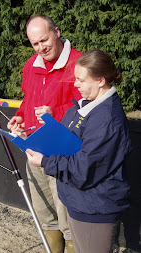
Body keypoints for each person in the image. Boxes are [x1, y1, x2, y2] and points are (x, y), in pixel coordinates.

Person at [25, 49, 133, 253]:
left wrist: (46, 162)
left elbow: (84, 167)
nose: (76, 85)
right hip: (80, 202)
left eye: (81, 80)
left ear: (100, 80)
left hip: (95, 208)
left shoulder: (106, 119)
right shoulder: (86, 106)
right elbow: (68, 142)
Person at [7, 14, 82, 252]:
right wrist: (20, 116)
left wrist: (55, 112)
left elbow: (87, 106)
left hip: (63, 150)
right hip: (33, 146)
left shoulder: (78, 63)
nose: (41, 48)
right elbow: (28, 99)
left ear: (57, 32)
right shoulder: (31, 65)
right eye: (35, 44)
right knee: (44, 211)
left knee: (66, 212)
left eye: (44, 40)